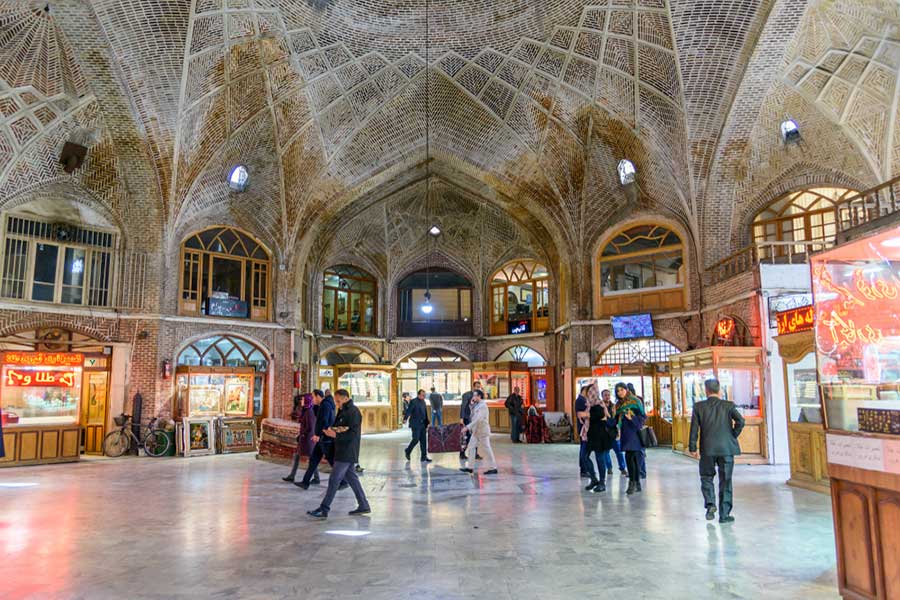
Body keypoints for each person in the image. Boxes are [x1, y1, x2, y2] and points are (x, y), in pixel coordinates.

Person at [307, 389, 371, 519]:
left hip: (347, 451)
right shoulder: (343, 410)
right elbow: (338, 426)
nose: (337, 404)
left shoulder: (353, 412)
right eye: (336, 401)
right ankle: (364, 505)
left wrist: (335, 434)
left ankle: (324, 509)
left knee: (334, 479)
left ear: (346, 398)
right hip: (341, 449)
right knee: (352, 479)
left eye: (338, 401)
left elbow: (353, 434)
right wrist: (330, 432)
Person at [689, 378, 745, 523]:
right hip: (727, 449)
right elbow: (741, 421)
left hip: (707, 448)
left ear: (706, 390)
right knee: (726, 480)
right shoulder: (728, 405)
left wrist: (692, 447)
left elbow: (694, 428)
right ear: (719, 390)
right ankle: (724, 515)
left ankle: (710, 504)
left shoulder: (699, 407)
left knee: (706, 477)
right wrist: (733, 434)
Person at [295, 390, 344, 490]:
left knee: (331, 461)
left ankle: (344, 481)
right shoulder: (322, 405)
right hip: (322, 437)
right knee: (313, 460)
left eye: (313, 397)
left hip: (325, 438)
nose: (312, 399)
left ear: (318, 396)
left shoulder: (325, 405)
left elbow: (324, 421)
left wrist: (318, 435)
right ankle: (305, 482)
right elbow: (319, 417)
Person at [615, 382, 646, 495]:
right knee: (629, 458)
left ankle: (633, 483)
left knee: (634, 459)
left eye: (622, 390)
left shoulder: (635, 401)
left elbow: (643, 417)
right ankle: (635, 483)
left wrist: (631, 418)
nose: (620, 392)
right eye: (618, 391)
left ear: (626, 390)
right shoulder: (618, 405)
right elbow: (615, 419)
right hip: (625, 434)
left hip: (635, 433)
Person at [585, 390, 617, 492]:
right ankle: (594, 479)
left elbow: (602, 417)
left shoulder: (600, 406)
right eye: (589, 395)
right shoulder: (590, 406)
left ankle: (602, 482)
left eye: (592, 394)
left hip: (601, 436)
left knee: (600, 459)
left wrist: (587, 413)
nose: (591, 396)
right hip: (592, 436)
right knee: (585, 457)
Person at [459, 390, 497, 475]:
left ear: (479, 396)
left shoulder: (483, 406)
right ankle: (470, 467)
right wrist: (471, 406)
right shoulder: (476, 405)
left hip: (482, 431)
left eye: (475, 395)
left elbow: (478, 419)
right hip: (476, 431)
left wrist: (467, 427)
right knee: (471, 447)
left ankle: (493, 468)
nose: (473, 397)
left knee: (487, 449)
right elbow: (472, 416)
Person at [283, 393, 317, 483]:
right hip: (303, 439)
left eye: (302, 400)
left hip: (307, 440)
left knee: (312, 459)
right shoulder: (305, 410)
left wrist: (303, 434)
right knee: (297, 456)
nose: (301, 401)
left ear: (307, 401)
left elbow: (311, 427)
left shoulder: (309, 412)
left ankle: (316, 478)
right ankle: (292, 475)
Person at [600, 389, 626, 475]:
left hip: (614, 432)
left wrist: (619, 430)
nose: (607, 397)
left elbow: (618, 419)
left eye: (608, 395)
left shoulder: (614, 406)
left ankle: (622, 468)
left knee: (619, 451)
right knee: (606, 452)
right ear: (602, 396)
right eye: (605, 395)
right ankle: (609, 468)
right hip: (604, 432)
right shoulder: (600, 406)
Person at [404, 389, 432, 463]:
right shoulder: (413, 401)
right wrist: (405, 418)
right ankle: (408, 450)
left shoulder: (423, 402)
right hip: (415, 424)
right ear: (419, 395)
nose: (424, 396)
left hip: (423, 424)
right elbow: (409, 410)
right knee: (416, 439)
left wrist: (427, 422)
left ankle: (424, 457)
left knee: (423, 440)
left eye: (424, 395)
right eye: (423, 395)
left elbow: (425, 413)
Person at [627, 382, 648, 479]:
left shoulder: (636, 400)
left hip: (638, 427)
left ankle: (640, 472)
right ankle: (640, 471)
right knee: (639, 452)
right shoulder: (636, 399)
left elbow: (643, 415)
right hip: (636, 427)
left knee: (639, 452)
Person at [459, 381, 483, 460]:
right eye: (476, 387)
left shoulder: (479, 396)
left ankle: (475, 454)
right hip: (467, 418)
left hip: (475, 418)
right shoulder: (466, 395)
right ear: (473, 387)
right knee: (466, 436)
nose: (477, 388)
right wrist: (461, 418)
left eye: (479, 387)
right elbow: (463, 406)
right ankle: (462, 453)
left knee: (475, 435)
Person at [575, 385, 591, 477]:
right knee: (584, 449)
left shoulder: (582, 400)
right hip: (584, 428)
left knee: (584, 448)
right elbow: (581, 415)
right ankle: (584, 470)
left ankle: (585, 469)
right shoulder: (581, 400)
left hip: (584, 427)